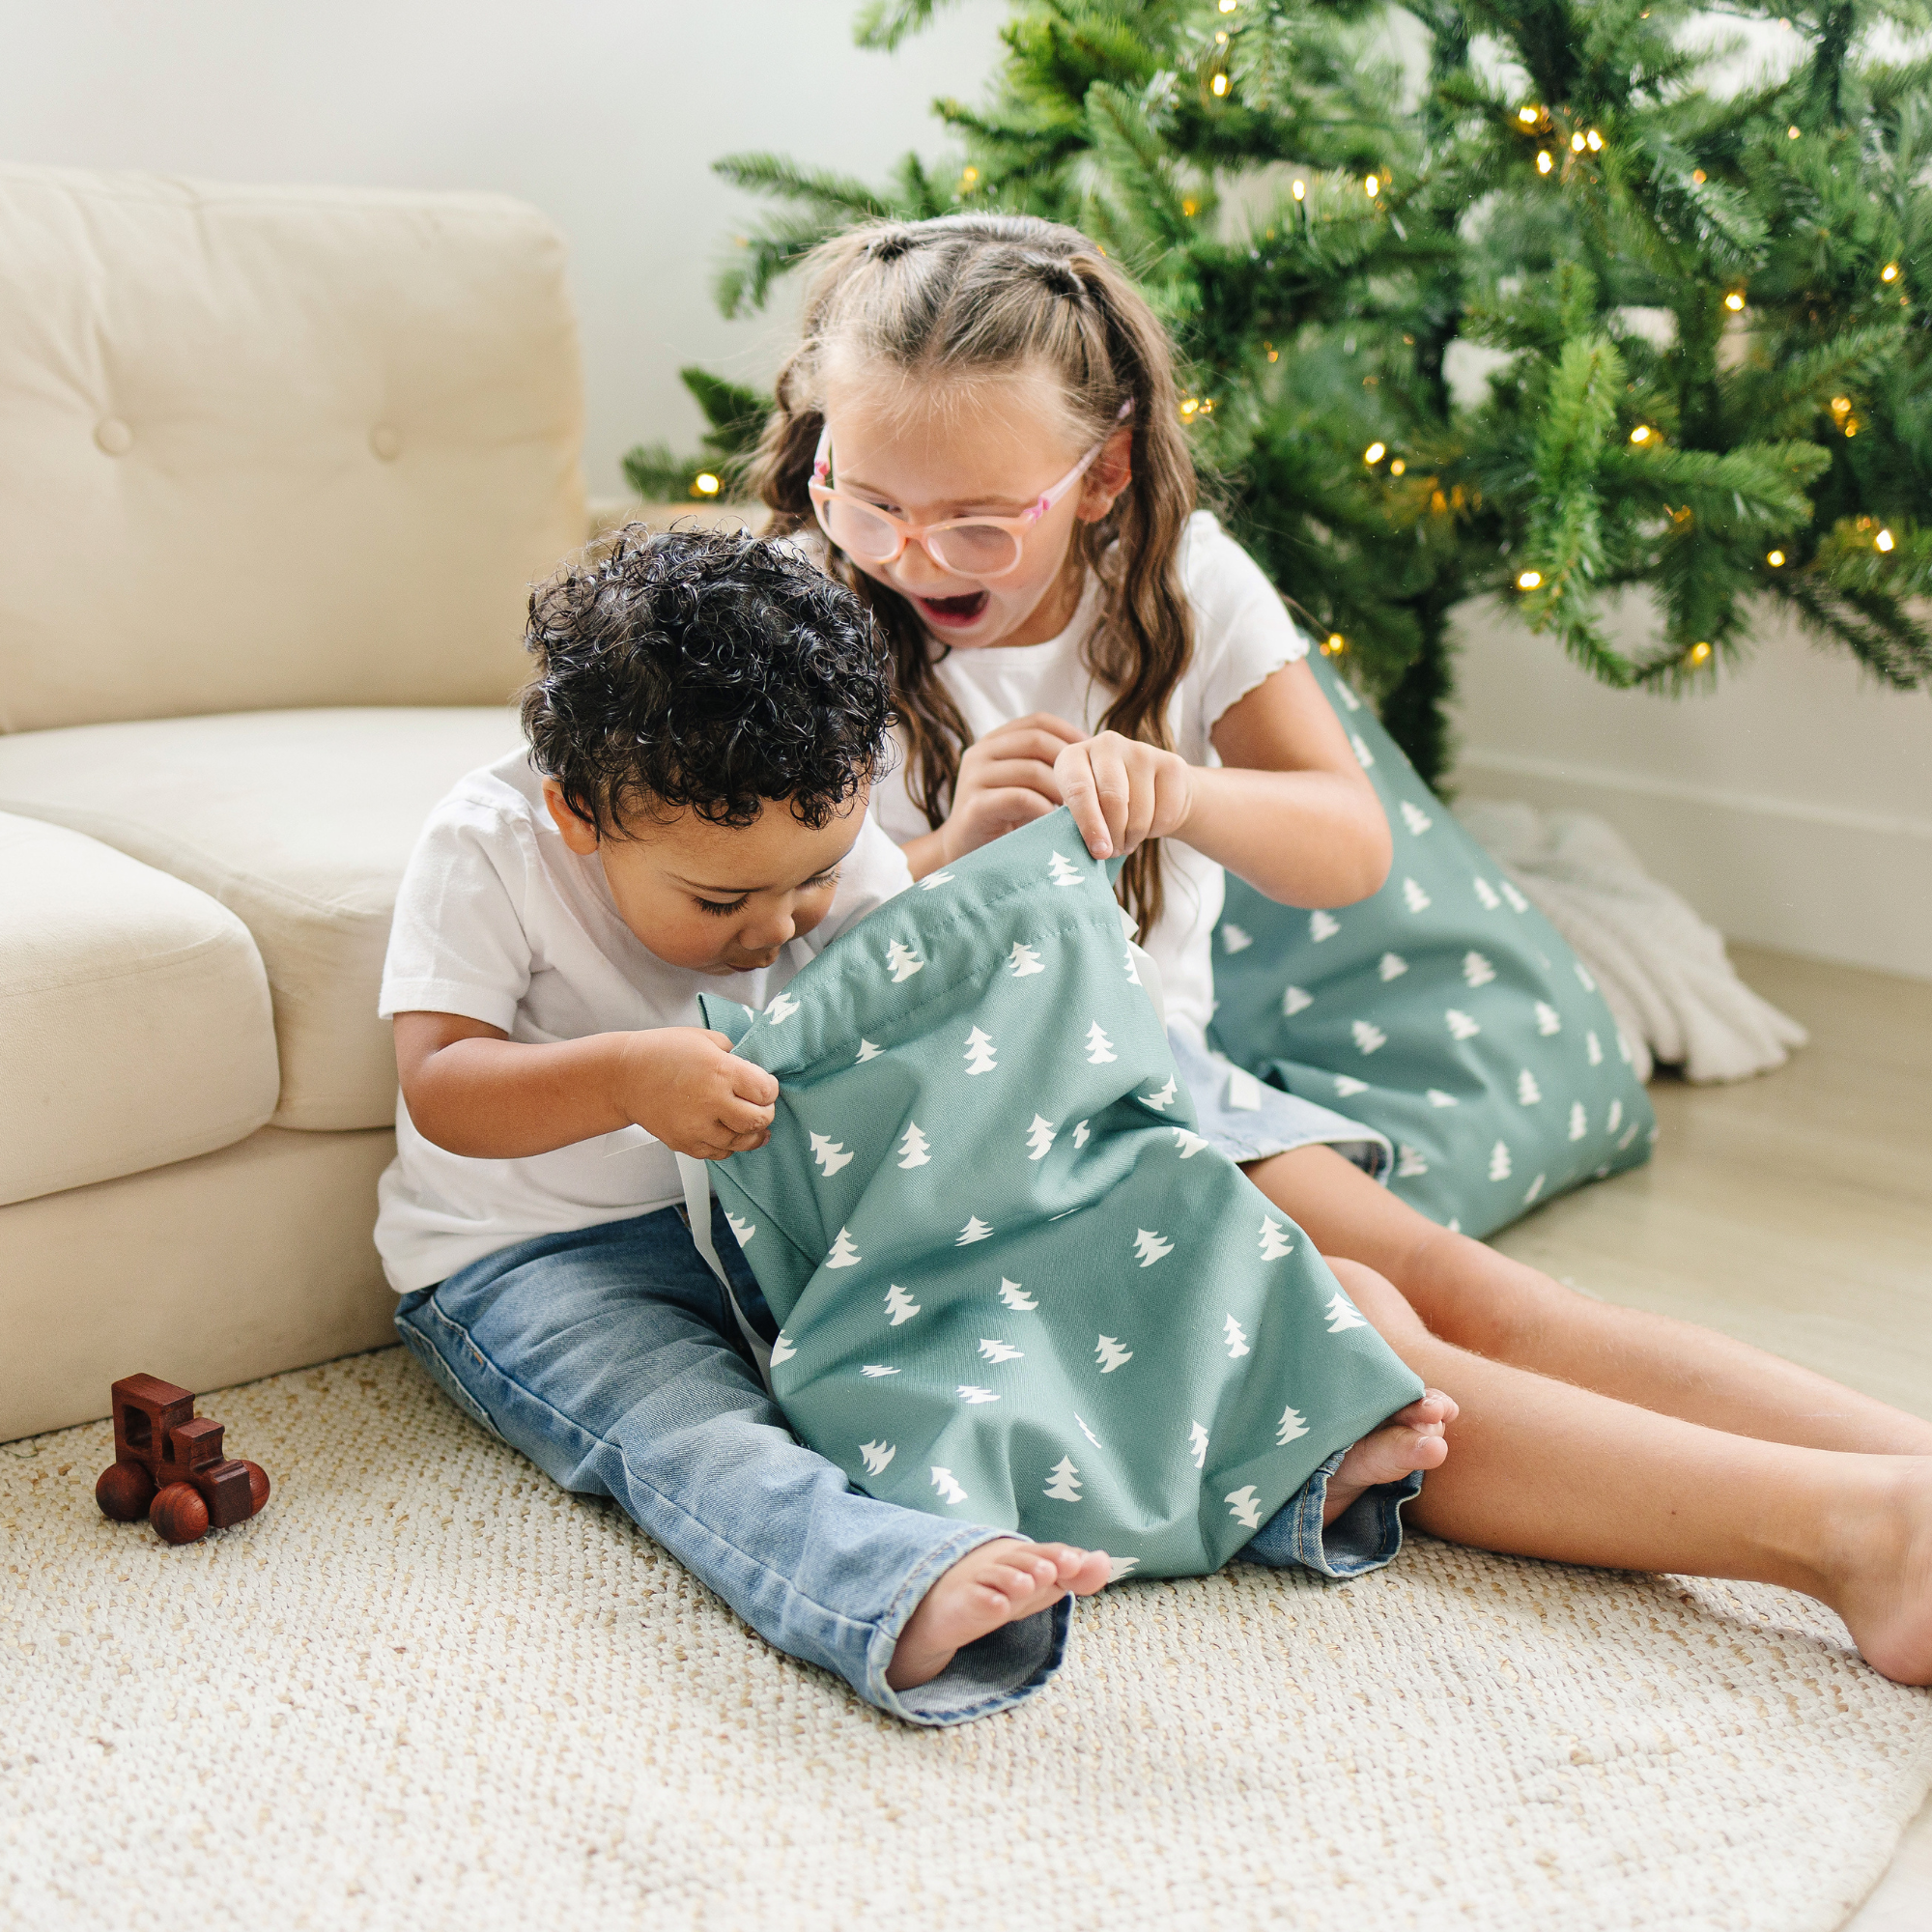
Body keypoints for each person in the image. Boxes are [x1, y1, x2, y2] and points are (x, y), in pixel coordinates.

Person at [744, 213, 1932, 1685]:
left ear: (1102, 473)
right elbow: (740, 937)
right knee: (1356, 1342)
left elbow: (1347, 841)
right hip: (954, 1128)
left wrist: (1179, 790)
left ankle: (1911, 1472)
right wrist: (932, 868)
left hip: (1147, 1078)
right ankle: (1857, 1536)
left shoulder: (1179, 581)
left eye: (978, 521)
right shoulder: (792, 610)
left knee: (1479, 1293)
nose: (915, 554)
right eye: (867, 504)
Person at [376, 526, 1454, 1726]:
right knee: (690, 1432)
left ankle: (1279, 1460)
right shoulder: (489, 845)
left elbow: (898, 991)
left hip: (777, 1223)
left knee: (1018, 1293)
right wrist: (626, 1077)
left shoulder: (830, 836)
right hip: (536, 1257)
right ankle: (882, 1582)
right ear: (581, 812)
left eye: (813, 880)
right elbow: (442, 1085)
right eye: (721, 898)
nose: (775, 929)